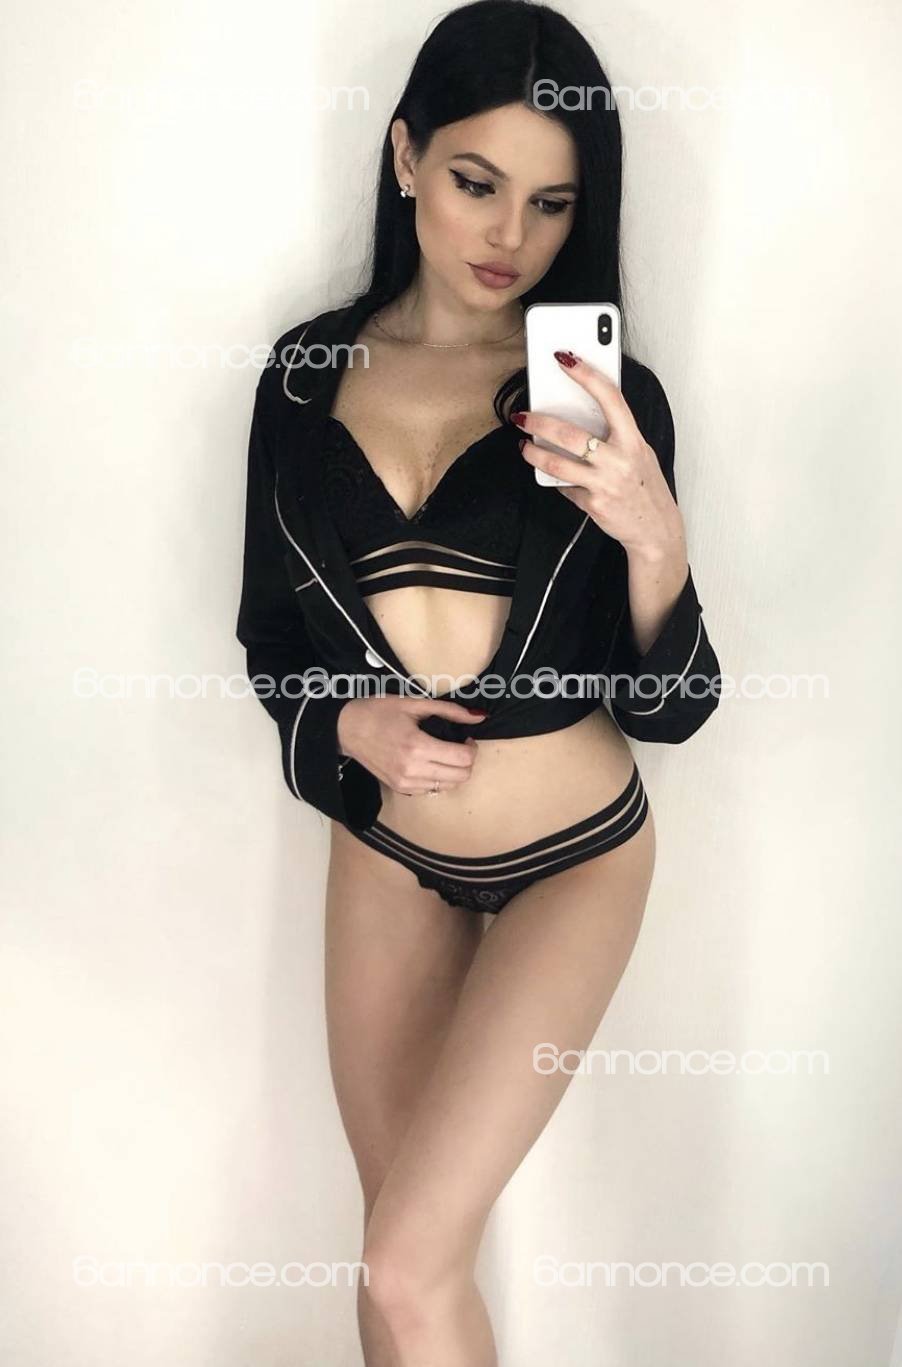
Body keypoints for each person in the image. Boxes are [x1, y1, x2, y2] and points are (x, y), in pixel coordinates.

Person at [236, 2, 721, 1362]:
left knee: (407, 1264)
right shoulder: (304, 378)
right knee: (392, 1264)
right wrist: (345, 723)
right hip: (385, 848)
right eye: (475, 181)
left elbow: (673, 709)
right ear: (405, 156)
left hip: (572, 857)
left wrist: (656, 542)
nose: (510, 233)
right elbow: (269, 637)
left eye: (551, 203)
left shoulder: (600, 398)